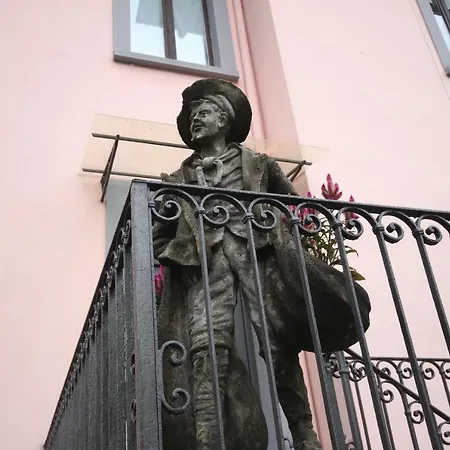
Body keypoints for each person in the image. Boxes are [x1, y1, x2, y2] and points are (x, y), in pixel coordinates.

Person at [153, 78, 370, 450]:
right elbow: (159, 236)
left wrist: (294, 252)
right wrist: (178, 258)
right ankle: (208, 436)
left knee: (275, 345)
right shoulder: (178, 179)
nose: (194, 120)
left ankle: (303, 432)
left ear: (224, 120)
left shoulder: (259, 165)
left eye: (202, 113)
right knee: (206, 345)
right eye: (191, 117)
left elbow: (300, 212)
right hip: (207, 265)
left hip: (260, 256)